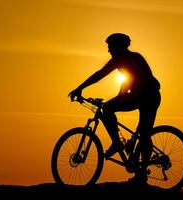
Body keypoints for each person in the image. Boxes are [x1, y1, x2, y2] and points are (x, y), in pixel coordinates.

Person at [68, 33, 161, 184]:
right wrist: (119, 96)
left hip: (149, 98)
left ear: (119, 47)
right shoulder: (121, 60)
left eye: (111, 47)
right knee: (110, 108)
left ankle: (138, 170)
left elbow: (101, 75)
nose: (109, 50)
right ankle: (121, 145)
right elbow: (127, 80)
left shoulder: (131, 58)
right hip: (138, 96)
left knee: (144, 134)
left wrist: (80, 88)